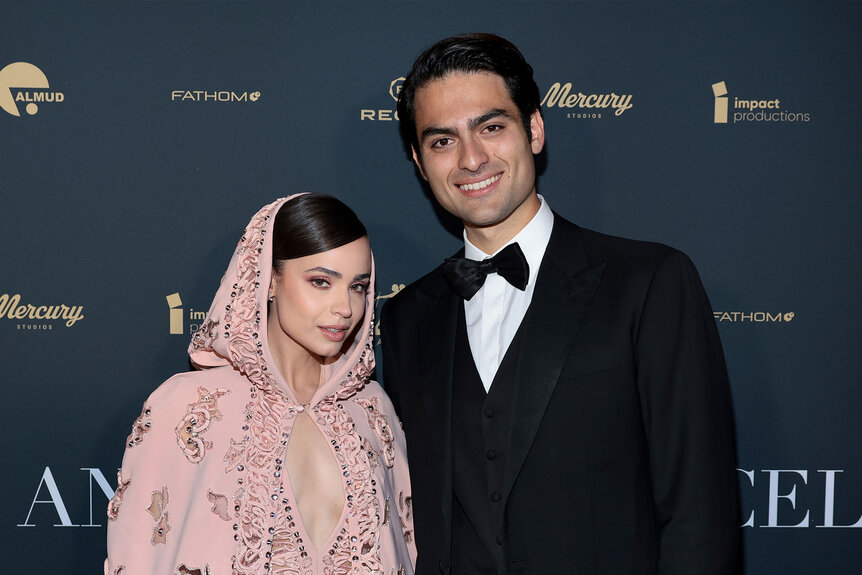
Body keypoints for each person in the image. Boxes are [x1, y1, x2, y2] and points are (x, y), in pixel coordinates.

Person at [380, 34, 740, 574]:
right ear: (419, 160)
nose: (471, 158)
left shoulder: (649, 283)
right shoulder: (408, 317)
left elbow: (700, 512)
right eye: (441, 141)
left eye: (492, 127)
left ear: (535, 129)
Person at [106, 194, 416, 575]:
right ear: (268, 280)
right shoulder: (188, 407)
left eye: (358, 286)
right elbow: (138, 559)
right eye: (321, 281)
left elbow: (408, 550)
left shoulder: (372, 408)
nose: (345, 308)